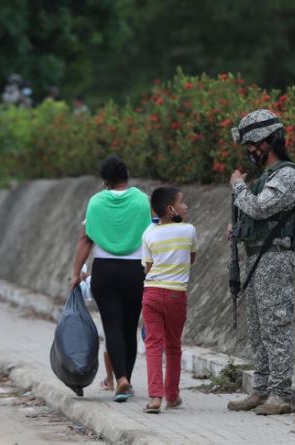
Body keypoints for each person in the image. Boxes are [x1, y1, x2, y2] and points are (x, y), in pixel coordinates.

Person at [226, 109, 295, 415]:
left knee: (276, 326)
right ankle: (260, 390)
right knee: (258, 329)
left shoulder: (288, 175)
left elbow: (260, 208)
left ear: (268, 141)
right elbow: (255, 216)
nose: (250, 151)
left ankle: (280, 394)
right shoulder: (265, 178)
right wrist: (237, 228)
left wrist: (237, 186)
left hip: (275, 258)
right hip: (257, 257)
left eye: (252, 144)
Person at [69, 155, 151, 402]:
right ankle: (127, 380)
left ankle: (120, 378)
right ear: (126, 174)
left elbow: (86, 239)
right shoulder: (142, 200)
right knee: (129, 327)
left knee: (112, 326)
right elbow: (151, 236)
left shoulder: (96, 202)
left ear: (105, 180)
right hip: (135, 271)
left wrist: (76, 273)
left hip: (105, 270)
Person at [140, 186, 197, 413]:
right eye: (182, 202)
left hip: (151, 293)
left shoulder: (148, 233)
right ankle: (172, 396)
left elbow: (148, 267)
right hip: (176, 294)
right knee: (173, 346)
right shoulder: (189, 230)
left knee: (153, 345)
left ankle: (155, 398)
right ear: (171, 208)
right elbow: (191, 259)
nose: (186, 206)